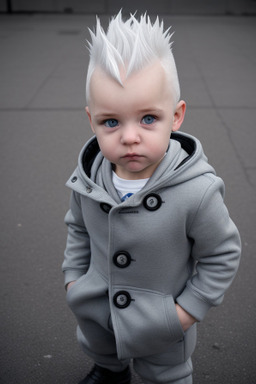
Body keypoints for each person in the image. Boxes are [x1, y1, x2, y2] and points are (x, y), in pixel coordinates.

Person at [62, 12, 241, 384]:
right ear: (91, 119)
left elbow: (222, 253)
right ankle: (109, 370)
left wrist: (185, 312)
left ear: (175, 117)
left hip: (160, 322)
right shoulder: (88, 177)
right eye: (111, 122)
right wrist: (74, 279)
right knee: (101, 348)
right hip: (96, 309)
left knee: (165, 375)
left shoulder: (198, 190)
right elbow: (78, 228)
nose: (129, 137)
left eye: (147, 119)